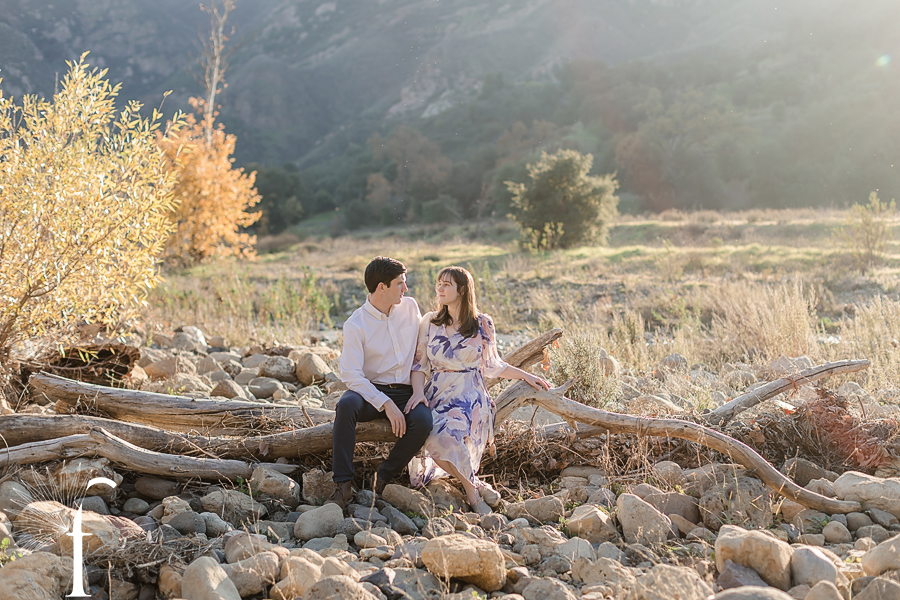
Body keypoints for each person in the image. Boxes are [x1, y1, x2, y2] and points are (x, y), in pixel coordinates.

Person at [406, 266, 550, 513]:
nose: (439, 288)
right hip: (438, 394)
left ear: (462, 290)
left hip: (470, 396)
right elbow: (419, 364)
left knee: (451, 436)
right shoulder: (429, 321)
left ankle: (472, 493)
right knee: (433, 437)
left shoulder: (483, 323)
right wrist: (418, 392)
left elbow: (493, 365)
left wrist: (526, 376)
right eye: (438, 283)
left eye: (446, 284)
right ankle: (475, 488)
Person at [326, 256, 433, 509]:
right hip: (371, 392)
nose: (405, 289)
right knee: (346, 406)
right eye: (400, 284)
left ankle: (382, 476)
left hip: (407, 390)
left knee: (424, 421)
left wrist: (418, 390)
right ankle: (343, 485)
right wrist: (385, 403)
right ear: (381, 287)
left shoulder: (410, 307)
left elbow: (422, 351)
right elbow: (350, 374)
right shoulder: (356, 324)